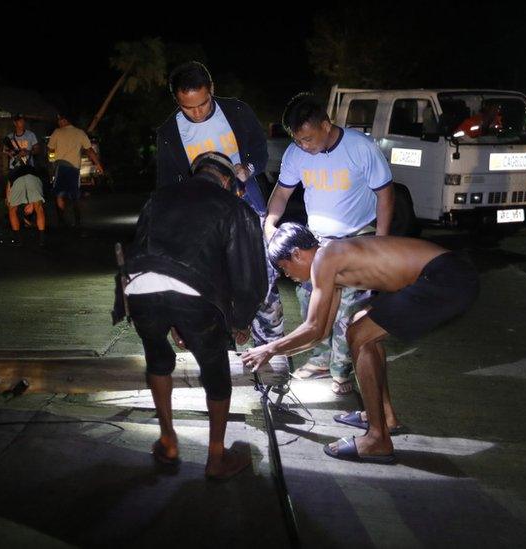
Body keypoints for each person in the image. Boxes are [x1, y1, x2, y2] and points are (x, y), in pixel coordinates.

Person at [242, 223, 478, 463]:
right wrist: (272, 352)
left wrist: (268, 348)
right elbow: (319, 333)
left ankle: (377, 439)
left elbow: (313, 328)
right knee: (359, 326)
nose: (287, 276)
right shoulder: (331, 261)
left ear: (297, 254)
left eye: (284, 268)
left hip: (445, 277)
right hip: (450, 274)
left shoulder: (326, 257)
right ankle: (385, 417)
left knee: (359, 334)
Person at [115, 151, 266, 480]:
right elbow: (248, 275)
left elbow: (143, 248)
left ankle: (168, 441)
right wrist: (240, 321)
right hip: (194, 296)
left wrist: (174, 320)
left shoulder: (159, 197)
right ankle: (216, 458)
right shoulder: (235, 207)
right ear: (227, 180)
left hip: (140, 287)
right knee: (215, 368)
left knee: (157, 360)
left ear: (196, 173)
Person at [155, 61, 289, 373]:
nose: (197, 113)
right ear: (177, 100)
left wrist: (248, 168)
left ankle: (273, 364)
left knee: (263, 286)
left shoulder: (237, 112)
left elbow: (259, 150)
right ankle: (223, 370)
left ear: (211, 90)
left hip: (247, 210)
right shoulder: (169, 132)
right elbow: (165, 184)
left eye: (202, 104)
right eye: (188, 108)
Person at [264, 93, 395, 395]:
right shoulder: (296, 154)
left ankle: (341, 371)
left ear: (326, 124)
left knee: (348, 310)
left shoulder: (360, 147)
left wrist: (382, 245)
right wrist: (270, 223)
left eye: (308, 139)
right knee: (312, 302)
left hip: (357, 238)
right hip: (317, 242)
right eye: (297, 140)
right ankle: (321, 361)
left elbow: (385, 195)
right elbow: (282, 193)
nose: (303, 146)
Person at [47, 113, 103, 228]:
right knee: (74, 195)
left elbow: (50, 149)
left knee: (58, 194)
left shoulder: (57, 132)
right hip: (74, 168)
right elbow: (89, 150)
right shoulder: (80, 133)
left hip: (61, 166)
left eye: (60, 120)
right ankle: (77, 221)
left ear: (64, 120)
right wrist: (98, 164)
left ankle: (61, 220)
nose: (58, 122)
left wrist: (52, 160)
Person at [3, 114, 46, 246]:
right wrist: (14, 153)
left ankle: (23, 237)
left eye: (22, 121)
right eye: (19, 121)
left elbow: (37, 149)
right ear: (15, 123)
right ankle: (35, 236)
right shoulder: (10, 137)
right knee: (36, 205)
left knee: (13, 206)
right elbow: (5, 151)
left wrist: (27, 152)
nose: (21, 123)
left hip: (24, 171)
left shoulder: (31, 135)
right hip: (19, 171)